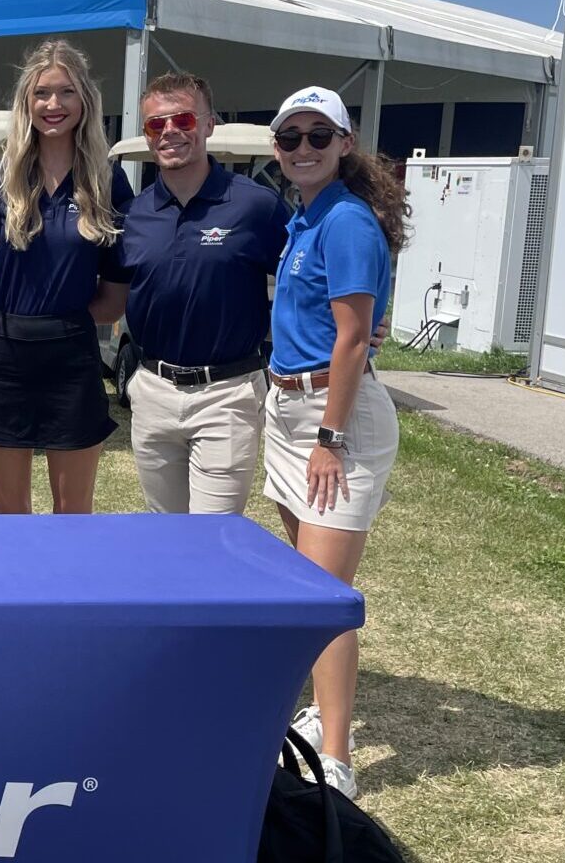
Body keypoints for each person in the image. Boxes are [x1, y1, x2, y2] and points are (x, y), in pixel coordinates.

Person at [263, 85, 406, 801]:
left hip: (332, 416)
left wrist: (329, 437)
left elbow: (354, 340)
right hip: (293, 410)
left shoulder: (345, 220)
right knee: (308, 582)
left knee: (323, 596)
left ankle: (340, 761)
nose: (304, 148)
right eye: (291, 136)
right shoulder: (306, 218)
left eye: (321, 135)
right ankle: (322, 713)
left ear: (346, 145)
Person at [104, 73, 290, 515]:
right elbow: (107, 294)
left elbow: (306, 275)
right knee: (166, 533)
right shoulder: (133, 214)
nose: (169, 132)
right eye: (155, 125)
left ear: (208, 124)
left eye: (183, 119)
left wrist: (362, 317)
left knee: (213, 536)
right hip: (152, 389)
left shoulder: (255, 206)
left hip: (227, 392)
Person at [0, 40, 130, 514]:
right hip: (2, 354)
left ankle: (70, 591)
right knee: (9, 513)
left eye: (66, 93)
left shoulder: (107, 181)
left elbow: (115, 297)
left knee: (73, 513)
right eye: (41, 93)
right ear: (26, 102)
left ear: (86, 101)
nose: (53, 105)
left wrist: (64, 322)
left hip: (72, 357)